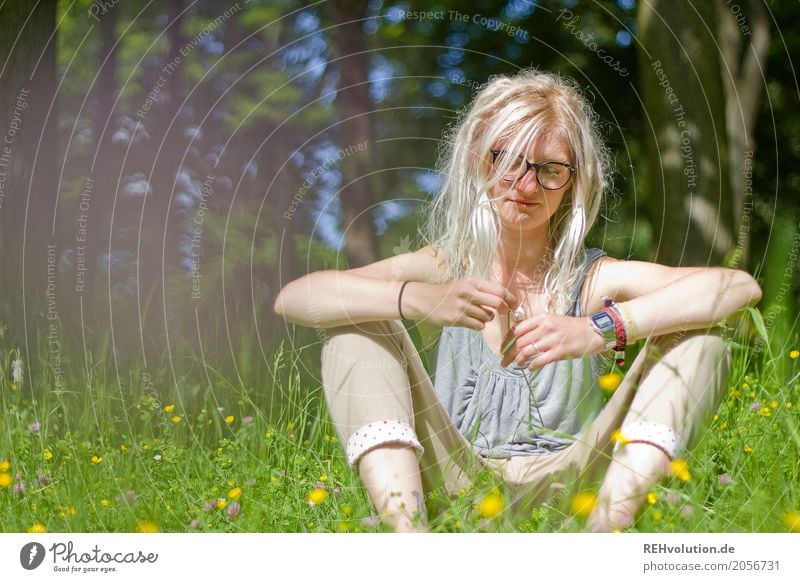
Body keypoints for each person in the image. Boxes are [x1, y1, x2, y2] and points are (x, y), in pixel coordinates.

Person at [273, 68, 762, 533]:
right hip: (453, 484)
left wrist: (599, 328)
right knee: (357, 328)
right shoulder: (444, 267)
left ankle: (608, 530)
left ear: (573, 180)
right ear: (476, 158)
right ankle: (409, 538)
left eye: (550, 170)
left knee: (703, 342)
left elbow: (736, 287)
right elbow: (295, 297)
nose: (525, 185)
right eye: (505, 160)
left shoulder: (592, 279)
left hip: (575, 484)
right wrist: (417, 299)